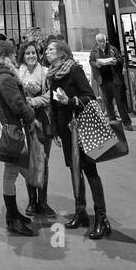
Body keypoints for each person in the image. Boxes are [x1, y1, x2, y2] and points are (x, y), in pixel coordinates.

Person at [45, 39, 112, 239]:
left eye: (50, 49)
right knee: (74, 169)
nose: (47, 52)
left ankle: (102, 218)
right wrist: (55, 129)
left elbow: (89, 96)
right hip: (67, 130)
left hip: (83, 128)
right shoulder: (53, 74)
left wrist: (71, 101)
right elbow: (54, 103)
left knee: (90, 170)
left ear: (62, 53)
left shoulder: (74, 70)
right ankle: (80, 211)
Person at [0, 42, 38, 236]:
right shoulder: (6, 78)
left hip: (8, 128)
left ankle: (13, 213)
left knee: (12, 171)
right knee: (11, 173)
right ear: (5, 56)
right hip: (11, 131)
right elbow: (17, 105)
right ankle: (12, 217)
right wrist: (31, 115)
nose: (16, 57)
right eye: (13, 55)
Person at [16, 41, 56, 218]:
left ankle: (43, 201)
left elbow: (50, 95)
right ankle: (32, 200)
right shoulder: (18, 74)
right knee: (29, 161)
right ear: (22, 56)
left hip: (42, 120)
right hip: (25, 122)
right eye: (27, 53)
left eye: (33, 53)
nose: (31, 56)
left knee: (43, 161)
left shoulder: (45, 72)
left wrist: (34, 101)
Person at [91, 31, 132, 130]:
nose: (102, 43)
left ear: (106, 40)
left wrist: (115, 62)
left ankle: (126, 123)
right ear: (97, 41)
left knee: (120, 101)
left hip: (114, 79)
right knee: (107, 101)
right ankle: (113, 121)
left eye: (103, 41)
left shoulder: (112, 49)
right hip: (103, 80)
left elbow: (120, 59)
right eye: (100, 41)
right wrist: (97, 64)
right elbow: (91, 61)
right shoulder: (94, 51)